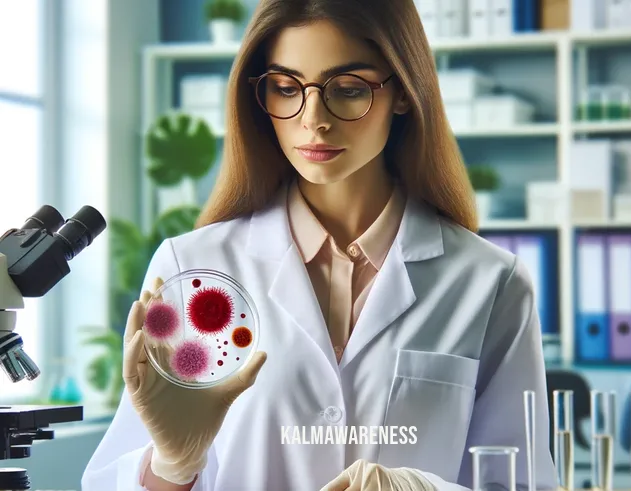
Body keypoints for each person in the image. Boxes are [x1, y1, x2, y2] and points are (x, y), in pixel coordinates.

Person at [82, 0, 557, 489]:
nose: (313, 119)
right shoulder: (195, 269)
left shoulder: (488, 283)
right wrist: (171, 467)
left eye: (348, 90)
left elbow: (524, 481)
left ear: (403, 92)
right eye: (286, 88)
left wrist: (420, 489)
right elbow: (107, 480)